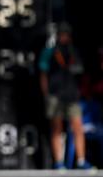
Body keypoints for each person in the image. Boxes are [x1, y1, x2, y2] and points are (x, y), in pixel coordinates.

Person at [38, 23, 92, 169]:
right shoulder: (49, 52)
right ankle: (58, 162)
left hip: (72, 95)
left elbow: (80, 72)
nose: (64, 37)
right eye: (61, 34)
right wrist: (46, 94)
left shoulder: (74, 52)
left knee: (78, 127)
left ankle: (81, 160)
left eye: (66, 34)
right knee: (57, 129)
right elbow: (43, 74)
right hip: (55, 95)